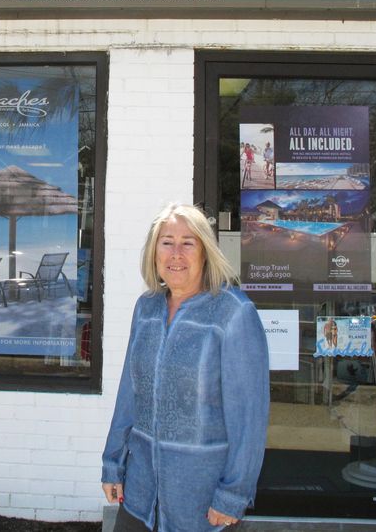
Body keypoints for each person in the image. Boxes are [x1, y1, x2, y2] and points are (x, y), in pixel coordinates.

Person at [101, 203, 269, 532]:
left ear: (205, 253)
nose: (176, 253)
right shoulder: (146, 308)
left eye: (188, 243)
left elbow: (249, 417)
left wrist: (233, 494)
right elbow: (128, 394)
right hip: (139, 497)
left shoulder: (233, 313)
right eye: (167, 242)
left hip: (200, 505)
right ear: (154, 253)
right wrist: (112, 463)